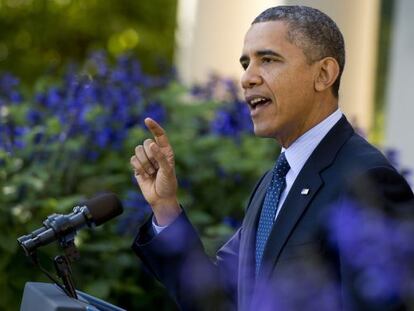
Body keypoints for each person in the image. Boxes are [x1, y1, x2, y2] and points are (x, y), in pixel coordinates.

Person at [130, 5, 414, 311]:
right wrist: (166, 207)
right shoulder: (275, 182)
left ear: (323, 74)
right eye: (245, 64)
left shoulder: (367, 179)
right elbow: (216, 298)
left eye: (268, 59)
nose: (247, 78)